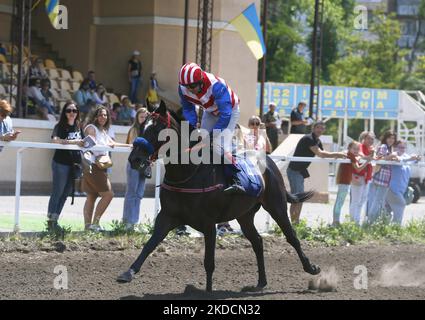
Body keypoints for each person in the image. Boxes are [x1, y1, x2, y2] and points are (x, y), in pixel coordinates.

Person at [178, 62, 243, 194]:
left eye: (192, 86)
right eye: (186, 86)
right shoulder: (183, 88)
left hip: (229, 111)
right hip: (210, 110)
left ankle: (236, 180)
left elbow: (225, 115)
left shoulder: (216, 86)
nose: (189, 89)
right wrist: (192, 127)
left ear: (201, 81)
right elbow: (188, 109)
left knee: (219, 145)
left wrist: (211, 137)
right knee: (199, 143)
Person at [82, 107, 131, 232]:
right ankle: (95, 224)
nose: (103, 117)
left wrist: (130, 145)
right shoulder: (91, 128)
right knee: (108, 195)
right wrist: (106, 147)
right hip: (93, 166)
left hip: (99, 166)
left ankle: (88, 227)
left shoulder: (103, 131)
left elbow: (112, 143)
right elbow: (92, 146)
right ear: (95, 116)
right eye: (100, 115)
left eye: (105, 115)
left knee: (92, 196)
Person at [287, 121, 346, 224]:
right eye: (318, 127)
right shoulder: (309, 138)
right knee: (298, 198)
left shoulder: (317, 141)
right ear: (313, 128)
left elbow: (323, 154)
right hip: (295, 171)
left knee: (299, 198)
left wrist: (336, 155)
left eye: (322, 128)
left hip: (299, 172)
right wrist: (338, 153)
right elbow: (321, 154)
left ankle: (295, 222)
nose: (320, 130)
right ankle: (293, 223)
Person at [47, 101, 84, 236]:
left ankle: (55, 220)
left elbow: (83, 142)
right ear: (64, 112)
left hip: (74, 165)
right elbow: (55, 140)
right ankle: (50, 222)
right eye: (69, 110)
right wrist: (73, 142)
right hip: (61, 163)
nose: (72, 113)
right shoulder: (60, 126)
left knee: (65, 194)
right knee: (57, 192)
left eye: (74, 111)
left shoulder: (79, 126)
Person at [122, 108, 149, 230]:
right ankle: (127, 221)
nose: (143, 119)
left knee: (139, 194)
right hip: (134, 163)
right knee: (131, 193)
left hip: (145, 164)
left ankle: (134, 221)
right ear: (137, 118)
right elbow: (135, 144)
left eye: (145, 117)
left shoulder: (149, 130)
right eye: (141, 117)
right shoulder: (134, 129)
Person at [385, 140, 420, 225]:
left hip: (400, 189)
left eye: (404, 147)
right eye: (400, 147)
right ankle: (395, 228)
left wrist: (417, 158)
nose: (402, 149)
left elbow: (412, 161)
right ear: (395, 147)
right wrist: (410, 158)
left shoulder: (405, 156)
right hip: (392, 188)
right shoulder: (393, 155)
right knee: (401, 205)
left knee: (387, 211)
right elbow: (399, 160)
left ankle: (384, 229)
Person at [366, 131, 398, 224]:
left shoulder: (389, 148)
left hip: (383, 178)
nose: (391, 140)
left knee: (378, 200)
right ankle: (370, 222)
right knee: (377, 200)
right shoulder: (384, 146)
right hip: (381, 178)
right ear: (385, 138)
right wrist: (391, 156)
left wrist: (392, 157)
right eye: (389, 138)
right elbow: (380, 159)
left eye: (393, 138)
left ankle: (373, 221)